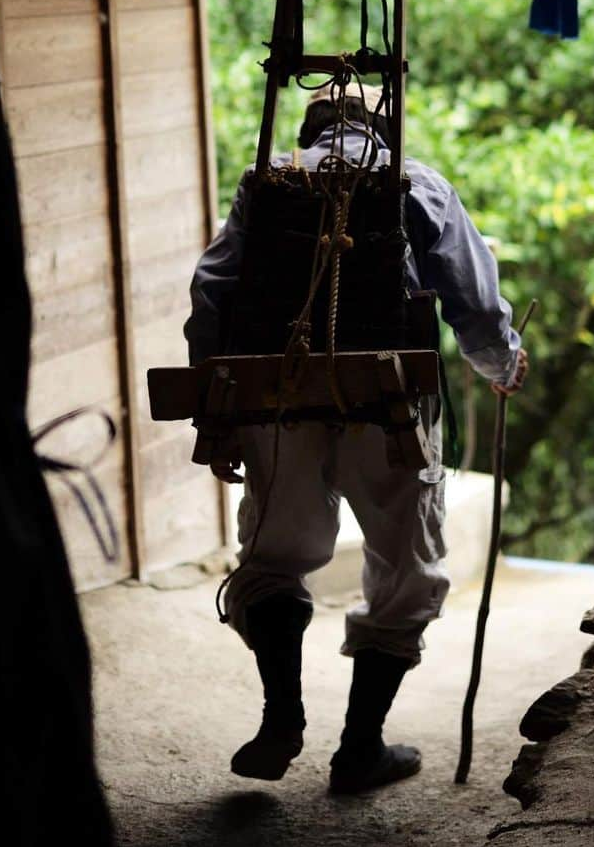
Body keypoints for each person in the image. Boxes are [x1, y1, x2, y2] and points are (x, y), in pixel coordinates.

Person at [184, 85, 528, 794]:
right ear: (382, 124)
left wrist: (217, 407)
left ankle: (282, 716)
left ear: (313, 127)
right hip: (389, 404)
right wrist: (503, 363)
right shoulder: (416, 182)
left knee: (275, 556)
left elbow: (212, 290)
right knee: (406, 570)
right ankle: (359, 749)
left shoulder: (268, 182)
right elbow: (473, 299)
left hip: (278, 397)